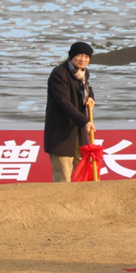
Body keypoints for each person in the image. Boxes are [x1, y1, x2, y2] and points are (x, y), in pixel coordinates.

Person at [44, 42, 96, 182]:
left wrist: (91, 97)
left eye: (86, 57)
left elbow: (87, 88)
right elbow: (64, 103)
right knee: (63, 179)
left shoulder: (83, 73)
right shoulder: (59, 74)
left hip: (78, 132)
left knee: (85, 176)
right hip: (61, 133)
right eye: (80, 55)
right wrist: (85, 122)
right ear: (72, 56)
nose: (83, 59)